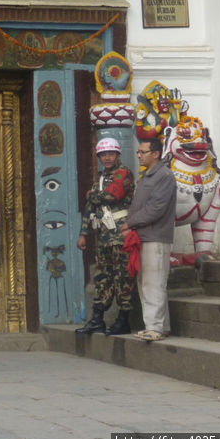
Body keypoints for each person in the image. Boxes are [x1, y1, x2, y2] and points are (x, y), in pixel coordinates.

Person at [120, 137, 178, 342]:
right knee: (147, 282)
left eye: (143, 152)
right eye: (138, 152)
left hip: (155, 237)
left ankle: (154, 327)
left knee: (153, 283)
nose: (139, 155)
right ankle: (161, 326)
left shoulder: (164, 176)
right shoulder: (147, 177)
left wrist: (130, 223)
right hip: (144, 236)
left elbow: (155, 209)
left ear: (156, 154)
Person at [76, 138, 135, 335]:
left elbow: (112, 196)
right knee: (102, 277)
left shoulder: (123, 173)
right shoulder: (99, 180)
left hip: (120, 235)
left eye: (110, 153)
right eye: (103, 154)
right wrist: (83, 233)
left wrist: (91, 195)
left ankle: (123, 320)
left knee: (122, 277)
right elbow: (89, 209)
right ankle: (97, 319)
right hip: (103, 236)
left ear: (118, 155)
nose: (107, 157)